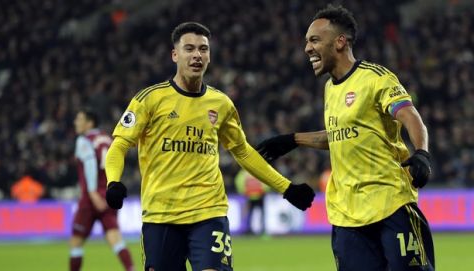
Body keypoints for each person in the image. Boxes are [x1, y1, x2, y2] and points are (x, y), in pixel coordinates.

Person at [104, 22, 315, 271]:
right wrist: (113, 181)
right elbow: (119, 145)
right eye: (189, 49)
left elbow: (243, 151)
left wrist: (286, 187)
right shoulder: (149, 99)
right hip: (161, 216)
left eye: (203, 49)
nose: (197, 55)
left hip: (208, 213)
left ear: (209, 56)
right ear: (175, 55)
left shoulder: (221, 103)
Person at [256, 5, 435, 271]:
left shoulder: (376, 78)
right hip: (346, 216)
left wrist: (421, 152)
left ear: (340, 42)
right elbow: (340, 136)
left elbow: (410, 115)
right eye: (306, 42)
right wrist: (292, 140)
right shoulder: (330, 88)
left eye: (314, 40)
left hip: (390, 204)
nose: (307, 48)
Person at [69, 108, 134, 271]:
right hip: (108, 194)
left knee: (76, 242)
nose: (76, 123)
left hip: (90, 197)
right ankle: (131, 269)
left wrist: (92, 193)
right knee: (116, 239)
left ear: (89, 123)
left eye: (79, 119)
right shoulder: (107, 138)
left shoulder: (84, 140)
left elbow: (90, 165)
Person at [234, 169, 269, 235]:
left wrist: (243, 191)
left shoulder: (244, 173)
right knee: (261, 214)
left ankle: (249, 230)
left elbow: (239, 182)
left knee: (250, 214)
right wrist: (264, 190)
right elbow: (266, 182)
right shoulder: (259, 171)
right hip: (259, 196)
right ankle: (262, 230)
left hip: (249, 196)